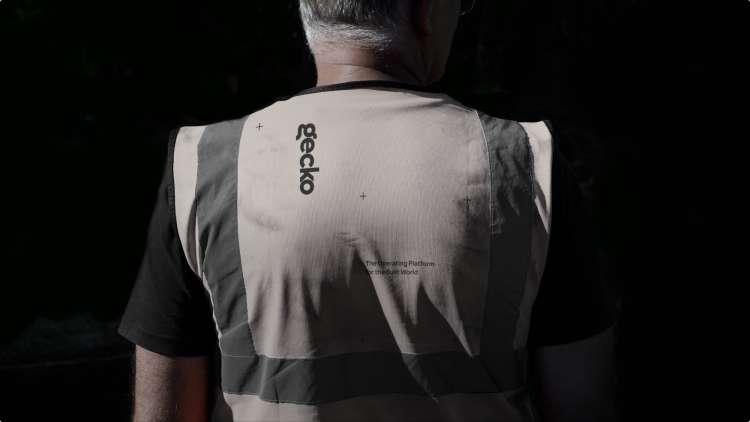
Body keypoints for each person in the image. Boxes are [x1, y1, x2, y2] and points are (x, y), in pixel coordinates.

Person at [116, 0, 618, 421]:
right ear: (421, 10)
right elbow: (581, 405)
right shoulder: (525, 162)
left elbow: (164, 411)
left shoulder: (206, 165)